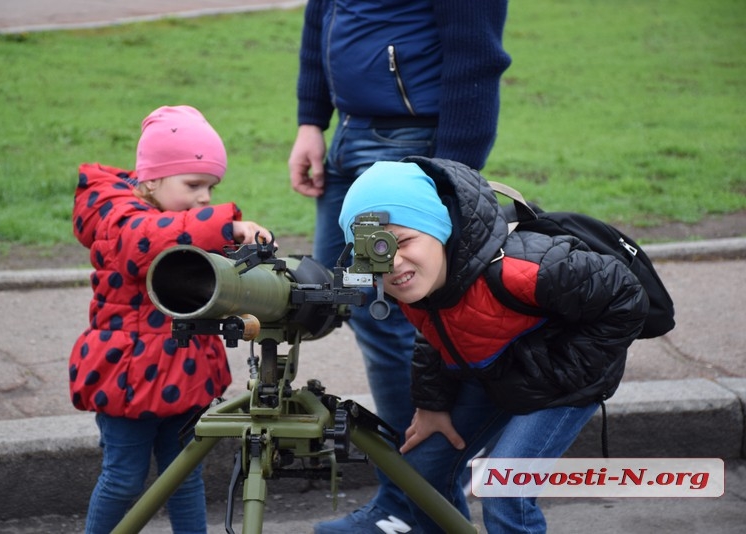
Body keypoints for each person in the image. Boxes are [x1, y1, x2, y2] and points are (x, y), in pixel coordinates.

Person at [287, 2, 512, 531]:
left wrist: (448, 176)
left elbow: (474, 55)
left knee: (392, 317)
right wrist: (310, 119)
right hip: (351, 139)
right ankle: (411, 502)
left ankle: (418, 507)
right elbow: (324, 13)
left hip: (407, 148)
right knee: (349, 305)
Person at [338, 157, 649, 533]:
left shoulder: (520, 267)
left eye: (403, 241)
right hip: (497, 369)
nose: (392, 264)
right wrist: (432, 405)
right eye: (375, 252)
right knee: (421, 475)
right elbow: (433, 335)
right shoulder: (413, 281)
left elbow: (626, 295)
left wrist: (565, 372)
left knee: (505, 488)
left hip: (562, 381)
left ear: (440, 228)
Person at [69, 105, 273, 534]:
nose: (204, 198)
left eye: (211, 188)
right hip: (128, 379)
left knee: (184, 477)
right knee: (123, 478)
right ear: (151, 180)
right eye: (194, 184)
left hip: (185, 374)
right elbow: (146, 241)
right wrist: (227, 226)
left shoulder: (187, 225)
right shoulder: (119, 220)